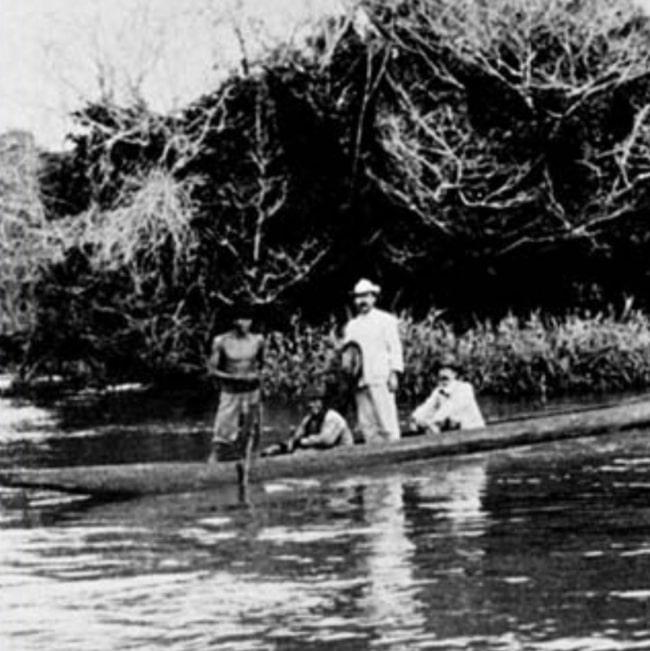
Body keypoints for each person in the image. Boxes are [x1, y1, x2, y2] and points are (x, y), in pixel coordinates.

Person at [343, 278, 404, 443]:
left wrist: (394, 373)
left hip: (380, 376)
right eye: (358, 297)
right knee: (367, 423)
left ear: (373, 298)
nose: (362, 301)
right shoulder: (352, 326)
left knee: (387, 420)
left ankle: (395, 451)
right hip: (359, 381)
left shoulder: (386, 320)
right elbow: (349, 354)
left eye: (365, 296)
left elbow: (395, 348)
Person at [207, 306, 265, 465]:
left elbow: (263, 365)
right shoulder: (221, 341)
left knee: (251, 434)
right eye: (240, 319)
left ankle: (252, 466)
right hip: (230, 392)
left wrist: (257, 376)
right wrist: (234, 378)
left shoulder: (258, 340)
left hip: (252, 392)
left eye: (247, 319)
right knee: (222, 437)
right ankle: (213, 467)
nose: (244, 323)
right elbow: (212, 371)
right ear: (234, 321)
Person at [263, 385, 354, 455]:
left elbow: (326, 440)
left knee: (301, 453)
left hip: (342, 451)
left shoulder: (332, 417)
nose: (311, 404)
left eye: (315, 400)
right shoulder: (308, 419)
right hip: (323, 451)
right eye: (309, 401)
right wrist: (279, 447)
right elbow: (296, 438)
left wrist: (301, 442)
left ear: (321, 402)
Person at [410, 358, 485, 434]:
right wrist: (415, 419)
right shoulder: (439, 391)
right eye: (441, 369)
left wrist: (431, 421)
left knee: (435, 427)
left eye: (446, 369)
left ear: (455, 373)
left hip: (474, 431)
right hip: (456, 433)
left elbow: (449, 408)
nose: (442, 372)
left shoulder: (465, 388)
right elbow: (427, 406)